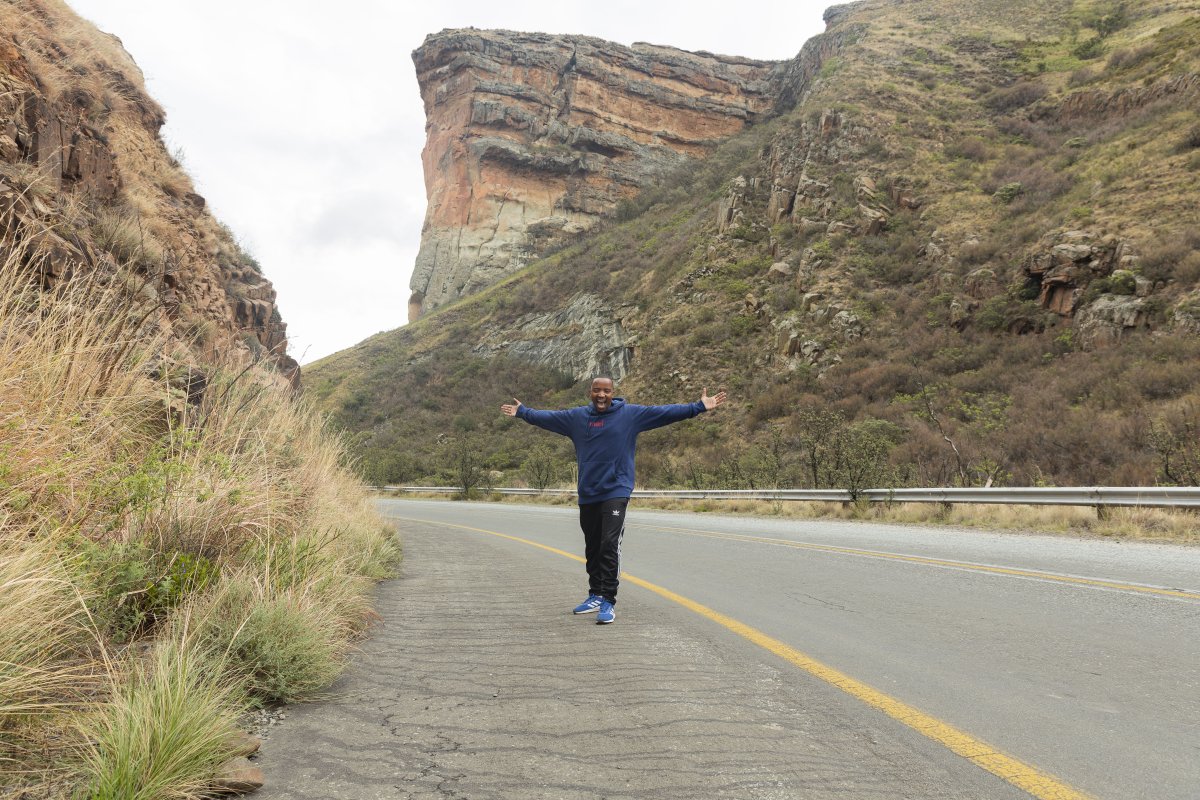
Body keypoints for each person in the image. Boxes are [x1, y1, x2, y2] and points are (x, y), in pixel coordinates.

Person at [500, 377, 727, 624]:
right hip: (588, 491)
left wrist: (699, 406)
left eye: (606, 391)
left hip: (616, 490)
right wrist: (524, 412)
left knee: (609, 543)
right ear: (590, 392)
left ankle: (608, 599)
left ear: (613, 393)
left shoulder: (630, 415)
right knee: (593, 546)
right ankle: (595, 594)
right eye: (597, 390)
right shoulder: (576, 418)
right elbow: (548, 418)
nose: (601, 395)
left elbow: (664, 413)